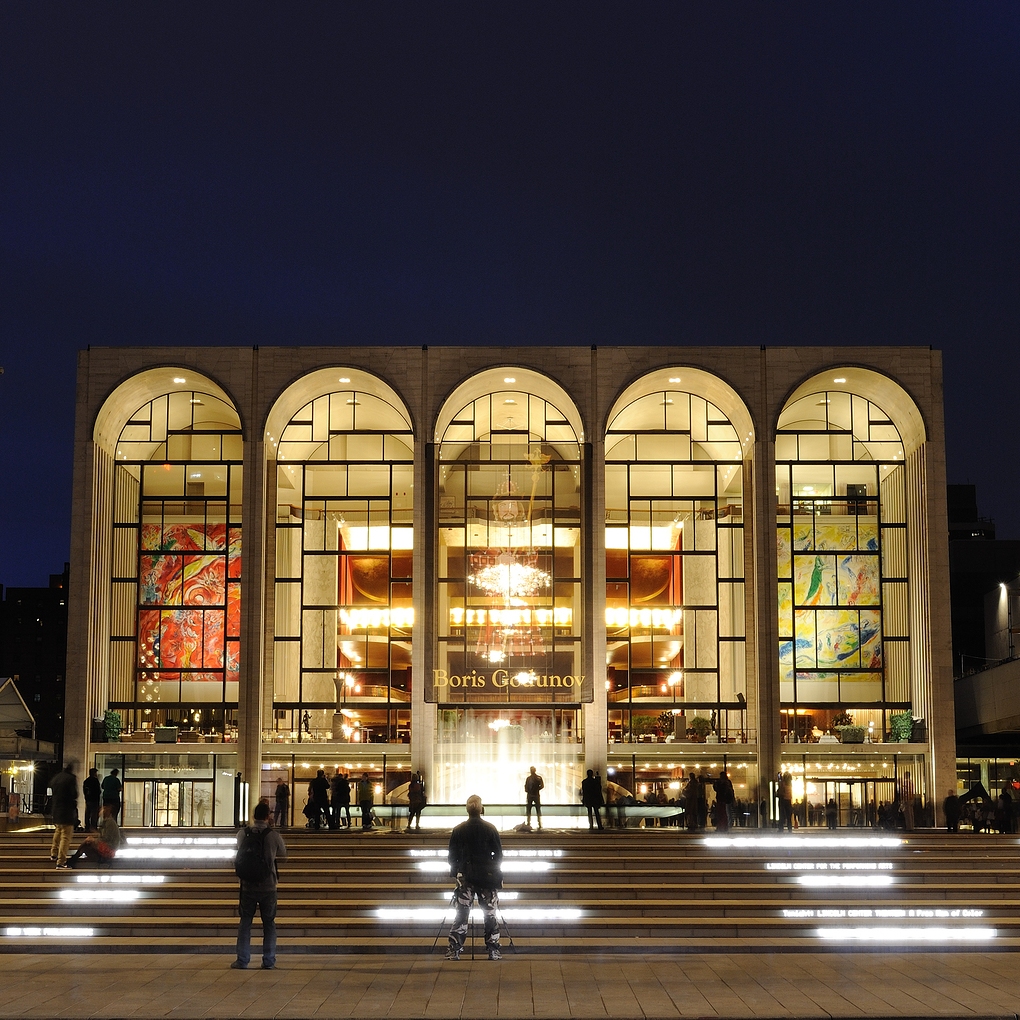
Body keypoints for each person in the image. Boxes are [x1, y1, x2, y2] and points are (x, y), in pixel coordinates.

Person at [446, 795, 503, 961]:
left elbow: (452, 857)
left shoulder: (458, 830)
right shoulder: (491, 829)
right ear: (481, 809)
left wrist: (456, 873)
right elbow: (498, 855)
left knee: (461, 914)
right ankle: (493, 949)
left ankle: (455, 949)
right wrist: (497, 875)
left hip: (466, 876)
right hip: (487, 877)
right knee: (490, 914)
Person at [232, 801, 287, 970]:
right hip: (268, 885)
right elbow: (283, 855)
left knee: (245, 922)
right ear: (268, 816)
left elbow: (239, 852)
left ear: (253, 816)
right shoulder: (273, 835)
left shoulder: (243, 833)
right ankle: (268, 960)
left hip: (247, 884)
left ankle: (242, 959)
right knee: (269, 923)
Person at [68, 802, 121, 866]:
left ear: (109, 812)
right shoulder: (110, 822)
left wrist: (94, 840)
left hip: (109, 849)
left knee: (87, 842)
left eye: (104, 809)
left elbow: (105, 838)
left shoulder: (109, 822)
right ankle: (74, 859)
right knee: (86, 847)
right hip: (111, 849)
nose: (102, 811)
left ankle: (73, 859)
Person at [50, 760, 79, 869]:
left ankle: (53, 853)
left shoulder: (56, 778)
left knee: (58, 831)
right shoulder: (71, 779)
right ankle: (61, 861)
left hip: (56, 810)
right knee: (66, 837)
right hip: (66, 811)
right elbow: (74, 794)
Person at [82, 767, 101, 833]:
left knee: (88, 813)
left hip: (88, 799)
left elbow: (84, 790)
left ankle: (87, 826)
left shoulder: (86, 781)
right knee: (94, 814)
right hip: (94, 800)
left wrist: (86, 797)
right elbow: (98, 791)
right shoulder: (95, 781)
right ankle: (93, 827)